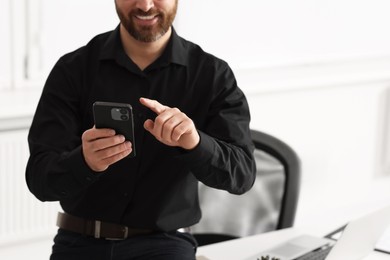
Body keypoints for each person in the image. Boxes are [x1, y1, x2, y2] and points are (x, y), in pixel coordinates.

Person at [25, 0, 256, 259]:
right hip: (79, 242)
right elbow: (40, 180)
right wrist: (85, 161)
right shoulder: (73, 69)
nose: (145, 5)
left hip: (165, 244)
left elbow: (242, 174)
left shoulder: (212, 75)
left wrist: (195, 142)